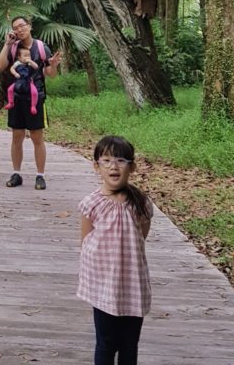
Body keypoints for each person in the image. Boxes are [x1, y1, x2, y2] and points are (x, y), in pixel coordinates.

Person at [77, 135, 153, 365]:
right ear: (96, 166)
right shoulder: (92, 202)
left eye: (120, 160)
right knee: (106, 343)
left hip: (132, 284)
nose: (113, 166)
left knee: (129, 344)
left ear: (132, 167)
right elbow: (85, 241)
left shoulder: (140, 202)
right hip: (103, 285)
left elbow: (142, 234)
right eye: (106, 160)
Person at [0, 15, 62, 189]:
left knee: (36, 137)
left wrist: (53, 65)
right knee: (16, 137)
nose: (19, 30)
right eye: (15, 28)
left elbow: (51, 74)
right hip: (16, 98)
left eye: (22, 26)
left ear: (30, 26)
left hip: (35, 98)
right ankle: (16, 173)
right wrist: (7, 44)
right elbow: (1, 66)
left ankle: (40, 175)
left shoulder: (41, 47)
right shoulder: (13, 48)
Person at [5, 46, 39, 114]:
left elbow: (36, 67)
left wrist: (30, 61)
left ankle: (33, 106)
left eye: (29, 55)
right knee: (10, 89)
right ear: (19, 57)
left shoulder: (29, 63)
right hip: (19, 81)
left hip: (28, 82)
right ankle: (11, 102)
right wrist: (15, 74)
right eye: (25, 55)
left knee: (34, 92)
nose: (27, 57)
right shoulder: (17, 63)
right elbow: (11, 68)